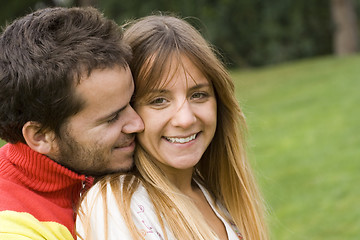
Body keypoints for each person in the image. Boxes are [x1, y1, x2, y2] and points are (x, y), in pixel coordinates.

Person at [77, 15, 268, 240]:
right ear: (130, 111)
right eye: (159, 100)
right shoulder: (117, 203)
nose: (185, 119)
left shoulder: (214, 194)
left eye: (198, 95)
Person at [0, 7, 144, 240]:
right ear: (41, 136)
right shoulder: (13, 228)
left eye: (133, 102)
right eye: (112, 118)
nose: (138, 124)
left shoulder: (94, 163)